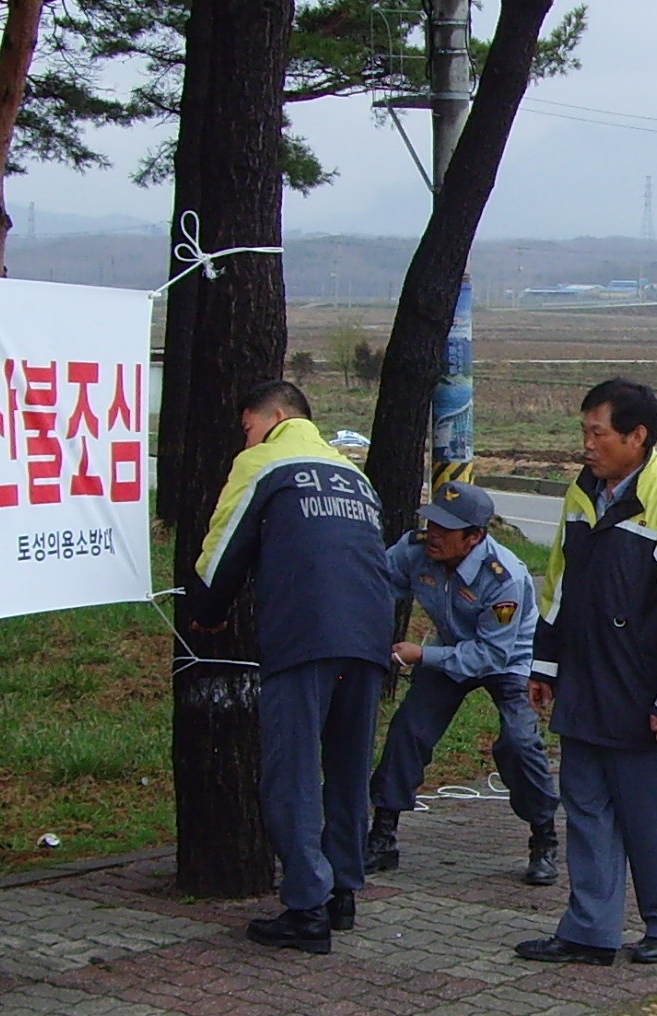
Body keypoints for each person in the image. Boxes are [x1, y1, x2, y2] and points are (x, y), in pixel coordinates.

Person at [184, 378, 396, 953]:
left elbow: (222, 551)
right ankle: (343, 892)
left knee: (294, 772)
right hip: (369, 638)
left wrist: (206, 612)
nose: (245, 439)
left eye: (248, 427)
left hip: (306, 634)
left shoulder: (264, 463)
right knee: (348, 768)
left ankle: (306, 909)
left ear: (274, 417)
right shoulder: (352, 473)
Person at [517, 377, 657, 967]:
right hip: (584, 687)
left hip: (639, 696)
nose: (587, 444)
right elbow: (558, 588)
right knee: (585, 813)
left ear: (638, 437)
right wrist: (545, 665)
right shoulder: (582, 496)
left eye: (598, 433)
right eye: (583, 431)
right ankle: (589, 930)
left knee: (651, 819)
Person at [366, 478, 561, 888]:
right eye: (432, 523)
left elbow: (490, 655)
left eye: (446, 529)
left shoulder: (504, 577)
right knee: (408, 730)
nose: (434, 535)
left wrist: (421, 655)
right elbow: (377, 584)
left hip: (508, 660)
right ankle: (383, 836)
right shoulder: (416, 549)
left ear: (475, 537)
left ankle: (543, 837)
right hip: (450, 650)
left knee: (519, 742)